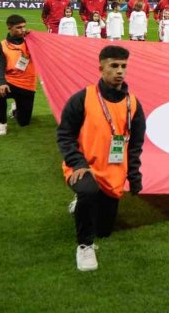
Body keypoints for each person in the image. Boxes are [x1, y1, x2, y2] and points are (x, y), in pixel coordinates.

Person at [56, 45, 146, 271]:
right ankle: (84, 247)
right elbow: (64, 135)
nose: (120, 71)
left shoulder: (133, 104)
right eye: (114, 66)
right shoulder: (82, 99)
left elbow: (135, 145)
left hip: (114, 171)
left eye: (124, 66)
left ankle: (83, 204)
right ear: (101, 68)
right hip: (83, 168)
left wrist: (134, 175)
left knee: (104, 230)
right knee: (88, 191)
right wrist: (77, 162)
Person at [0, 15, 37, 136]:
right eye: (18, 27)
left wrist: (35, 36)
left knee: (24, 123)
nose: (22, 30)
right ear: (9, 28)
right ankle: (1, 123)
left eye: (24, 27)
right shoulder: (1, 46)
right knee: (0, 93)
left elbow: (48, 46)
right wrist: (1, 83)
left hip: (28, 85)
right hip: (10, 82)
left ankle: (15, 108)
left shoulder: (31, 42)